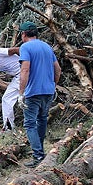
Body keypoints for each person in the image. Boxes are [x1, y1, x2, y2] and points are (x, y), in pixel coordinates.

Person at [17, 20, 61, 167]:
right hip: (48, 91)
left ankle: (38, 156)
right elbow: (58, 69)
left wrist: (21, 93)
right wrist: (53, 86)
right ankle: (40, 152)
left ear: (23, 34)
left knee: (29, 123)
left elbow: (25, 70)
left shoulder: (25, 47)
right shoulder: (47, 47)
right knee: (42, 120)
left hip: (33, 92)